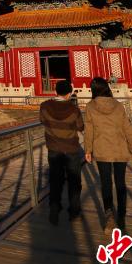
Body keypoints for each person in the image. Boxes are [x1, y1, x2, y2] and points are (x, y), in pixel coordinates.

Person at [84, 77, 132, 232]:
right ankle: (121, 217)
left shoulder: (90, 106)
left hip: (101, 149)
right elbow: (127, 129)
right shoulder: (119, 105)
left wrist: (88, 150)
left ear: (93, 90)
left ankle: (109, 217)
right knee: (120, 183)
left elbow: (89, 130)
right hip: (120, 149)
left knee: (106, 183)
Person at [39, 79, 85, 225]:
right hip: (71, 149)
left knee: (55, 180)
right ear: (70, 93)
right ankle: (74, 211)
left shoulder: (44, 106)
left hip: (54, 148)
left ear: (55, 91)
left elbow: (42, 120)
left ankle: (54, 209)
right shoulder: (74, 109)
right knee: (74, 181)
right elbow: (80, 127)